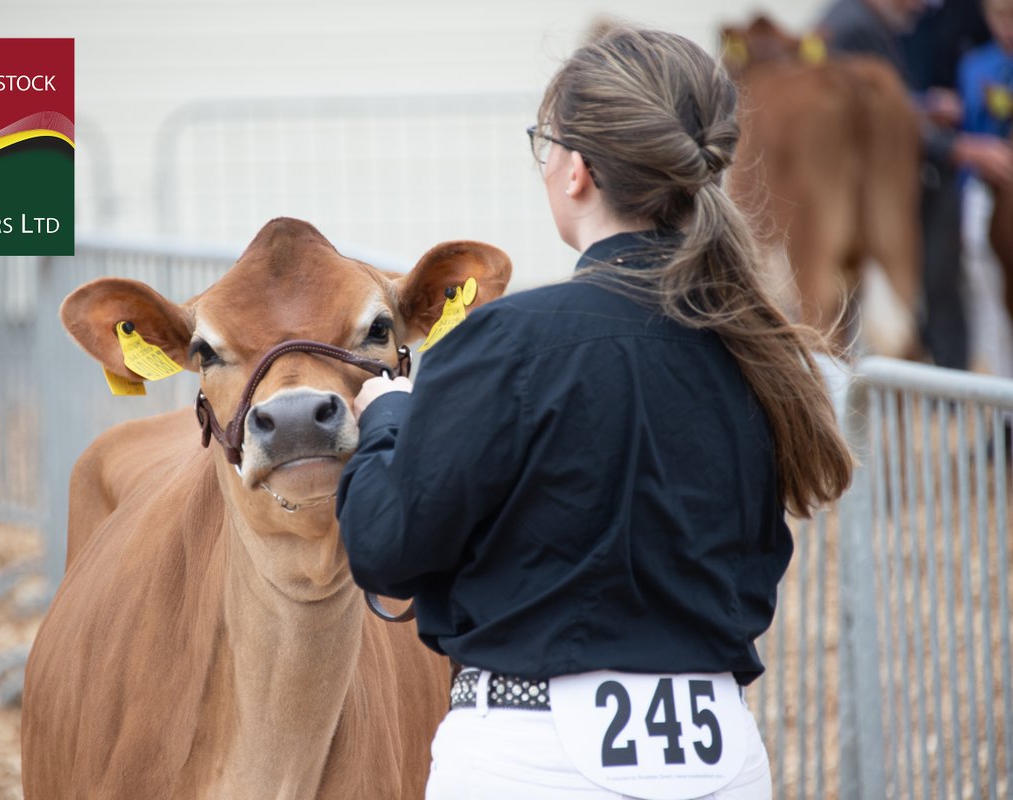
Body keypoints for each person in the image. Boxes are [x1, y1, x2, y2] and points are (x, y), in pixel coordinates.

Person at [336, 24, 853, 799]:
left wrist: (388, 420)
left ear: (576, 169)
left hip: (529, 754)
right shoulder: (765, 348)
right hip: (723, 754)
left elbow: (387, 546)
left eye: (546, 143)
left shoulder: (506, 339)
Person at [820, 0, 1013, 369]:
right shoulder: (853, 26)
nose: (924, 6)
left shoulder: (855, 20)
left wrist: (921, 106)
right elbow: (878, 117)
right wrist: (958, 146)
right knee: (944, 288)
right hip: (888, 186)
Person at [957, 0, 1013, 381]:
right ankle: (1002, 407)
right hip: (983, 192)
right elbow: (971, 125)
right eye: (999, 17)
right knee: (987, 299)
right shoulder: (976, 65)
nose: (1006, 27)